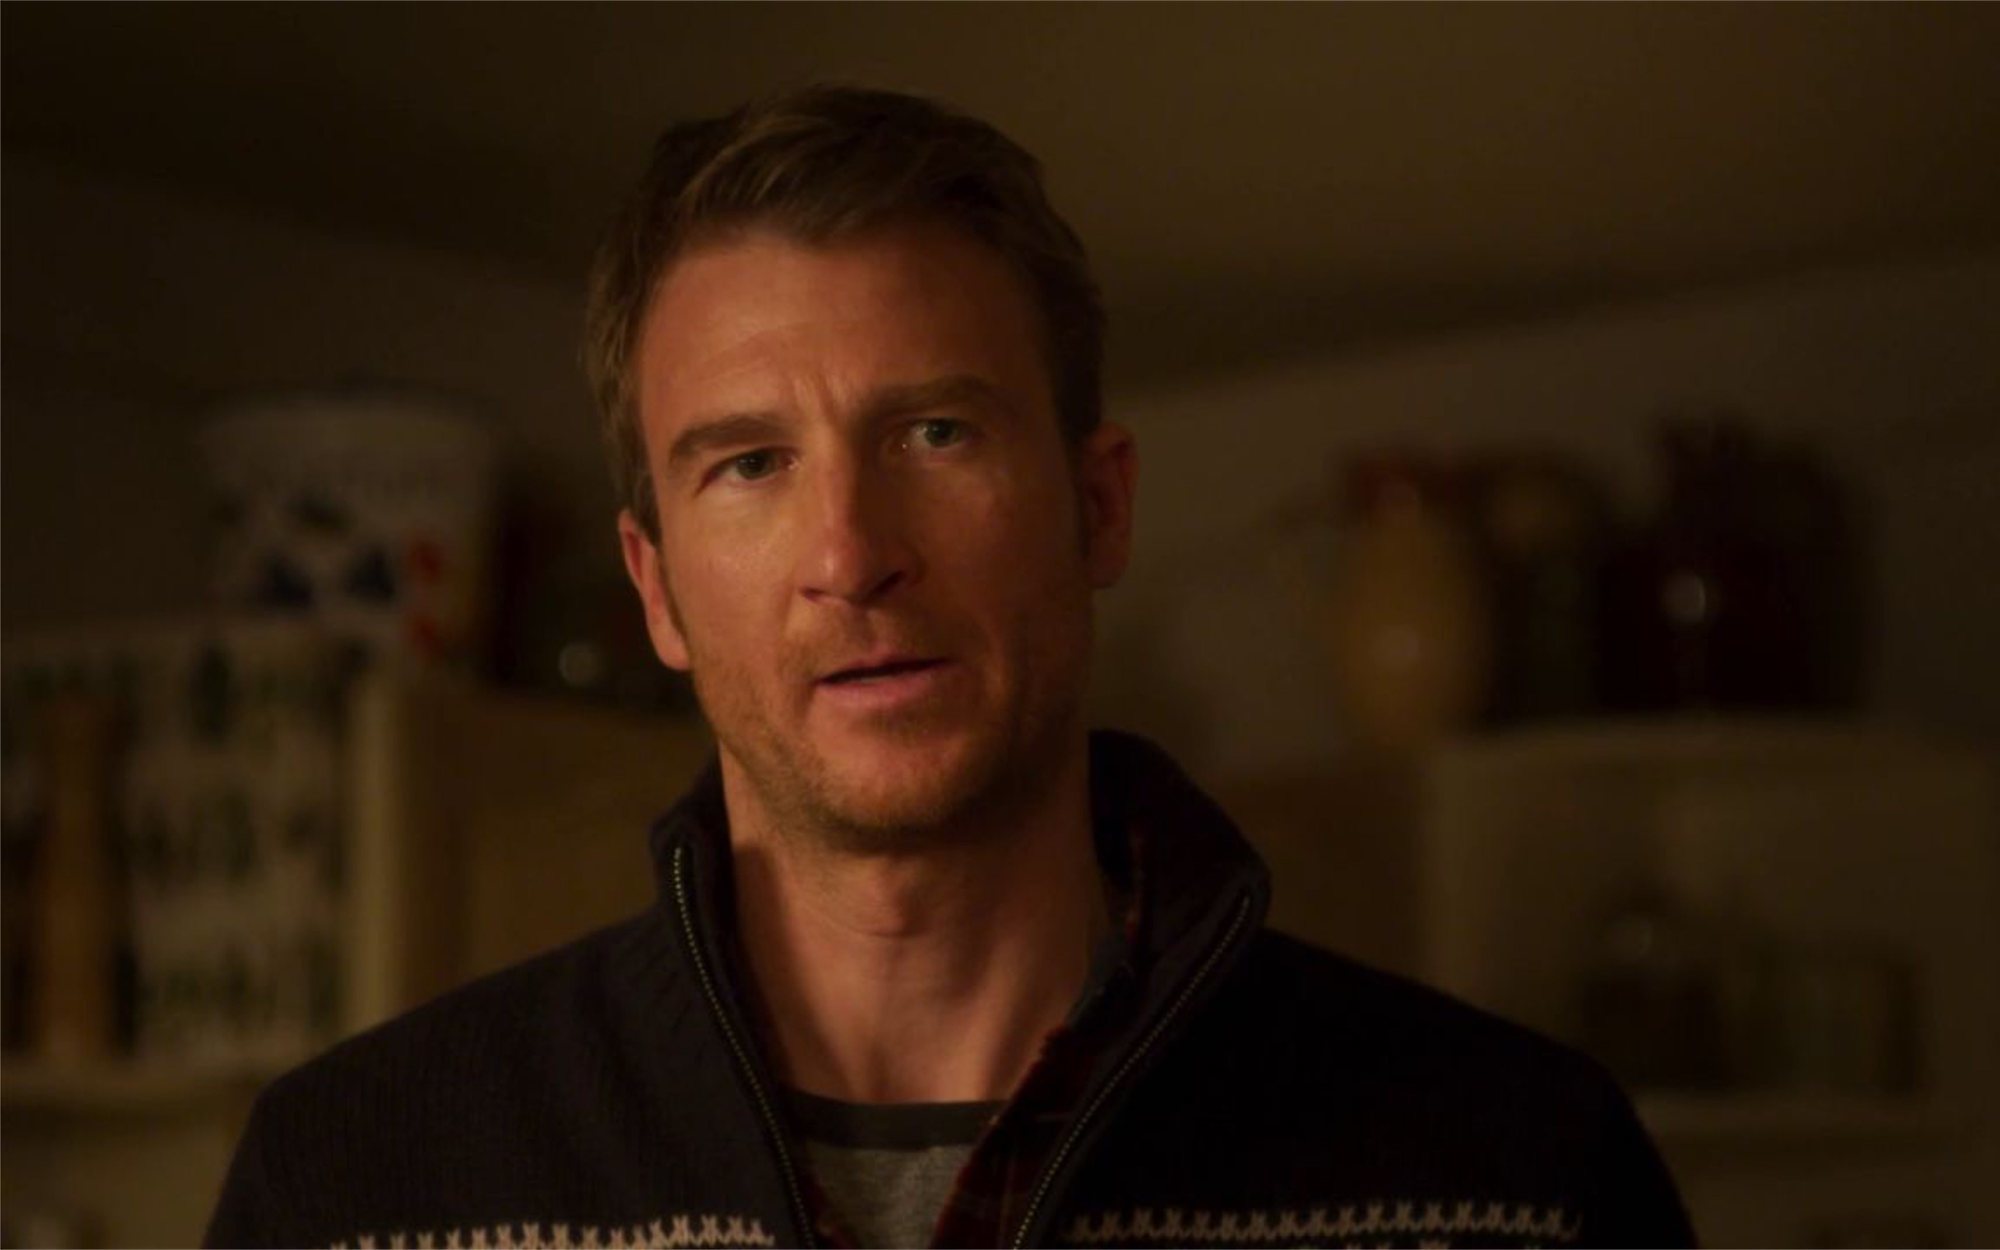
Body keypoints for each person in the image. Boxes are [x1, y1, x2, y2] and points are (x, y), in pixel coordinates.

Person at [206, 85, 1692, 1250]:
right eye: (750, 463)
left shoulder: (1520, 1178)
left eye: (935, 433)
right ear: (655, 589)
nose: (850, 553)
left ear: (1099, 507)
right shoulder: (352, 1188)